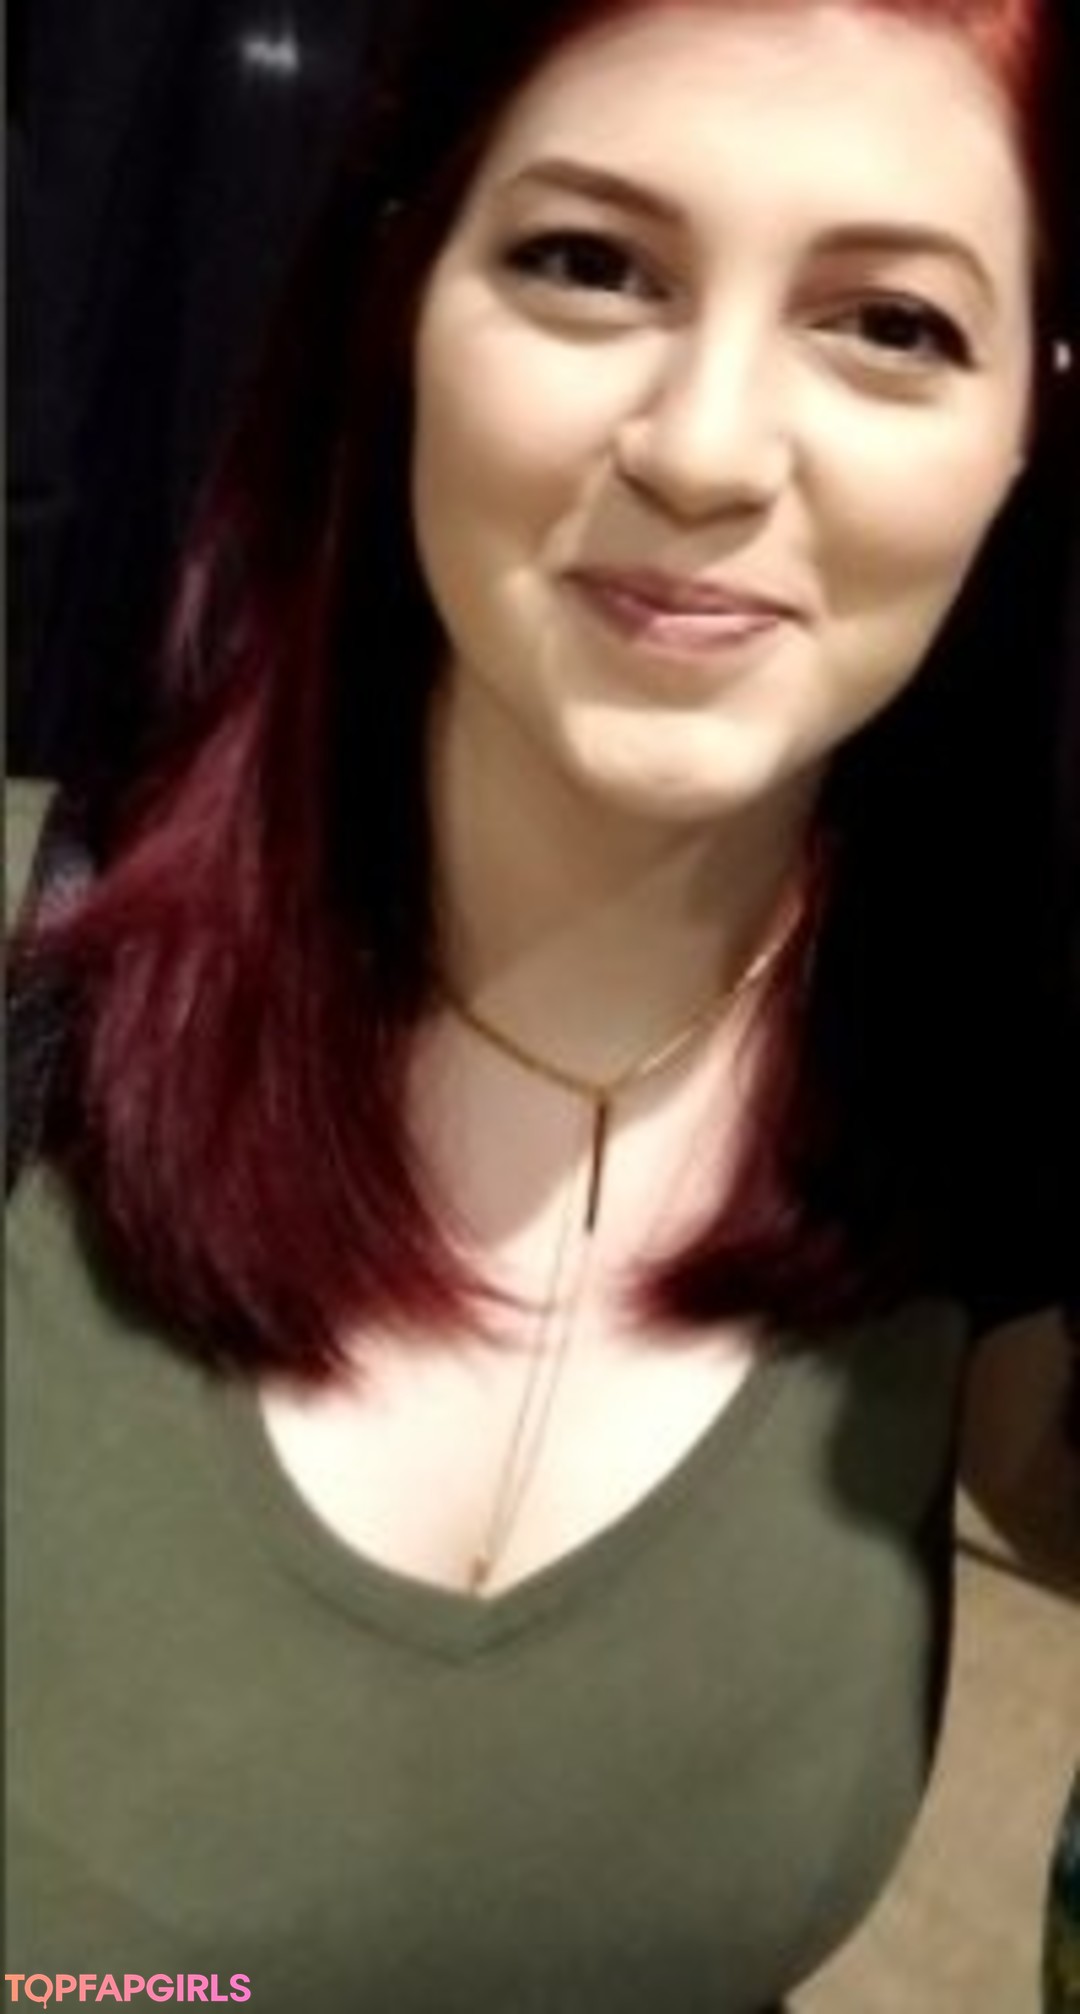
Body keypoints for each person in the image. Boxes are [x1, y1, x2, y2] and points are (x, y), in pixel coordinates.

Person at [6, 1, 1077, 2007]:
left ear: (1032, 421)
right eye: (589, 262)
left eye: (892, 323)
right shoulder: (38, 989)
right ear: (402, 301)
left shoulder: (968, 1115)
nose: (703, 447)